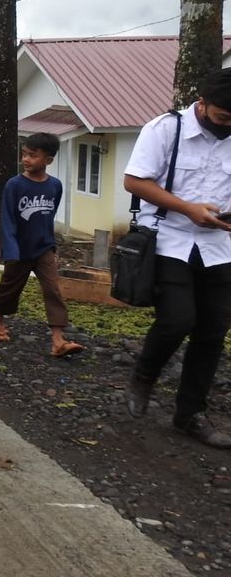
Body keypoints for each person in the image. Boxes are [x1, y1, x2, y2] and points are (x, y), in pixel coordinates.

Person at [123, 67, 231, 449]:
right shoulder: (165, 129)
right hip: (169, 239)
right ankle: (144, 376)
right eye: (222, 118)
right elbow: (134, 181)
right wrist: (188, 209)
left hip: (219, 247)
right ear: (202, 104)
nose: (227, 126)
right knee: (177, 319)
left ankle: (189, 415)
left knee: (213, 332)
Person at [0, 133, 85, 358]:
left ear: (48, 160)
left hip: (44, 247)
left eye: (32, 155)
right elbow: (8, 218)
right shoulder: (14, 185)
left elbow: (49, 215)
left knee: (53, 289)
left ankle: (58, 340)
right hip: (19, 249)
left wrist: (50, 244)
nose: (26, 159)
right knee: (9, 287)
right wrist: (11, 249)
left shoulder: (55, 185)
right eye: (24, 154)